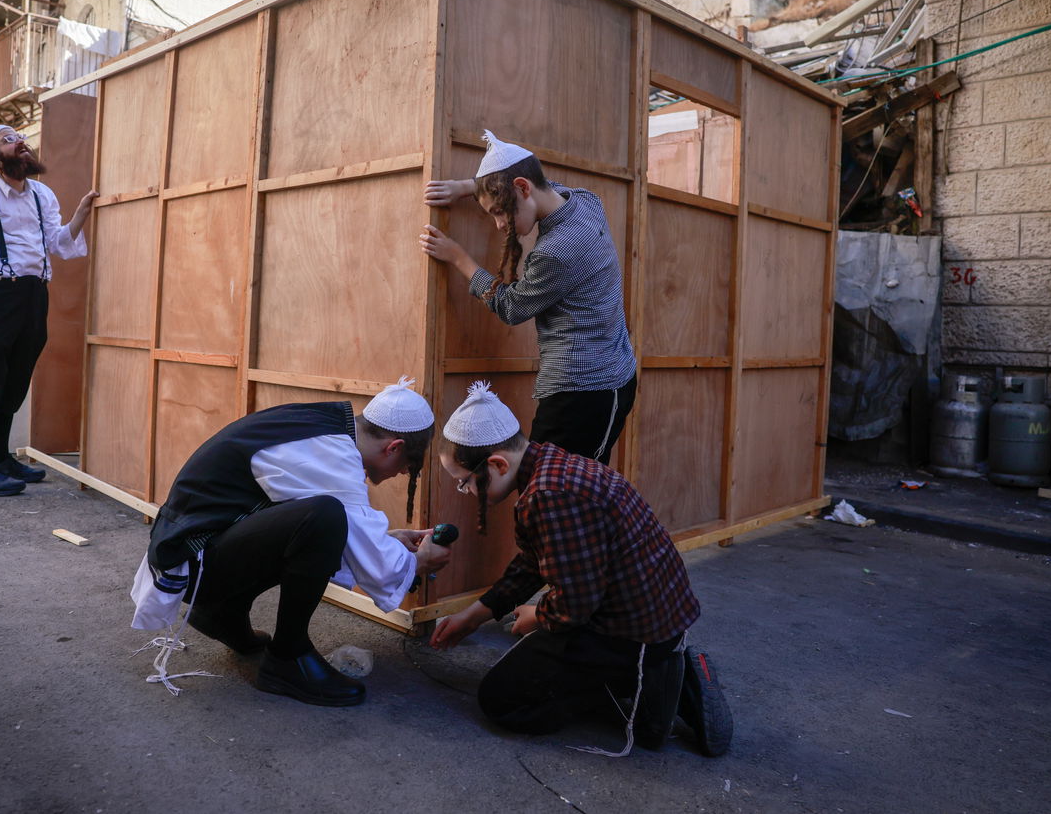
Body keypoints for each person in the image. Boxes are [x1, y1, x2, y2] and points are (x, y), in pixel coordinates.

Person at [430, 382, 726, 755]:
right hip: (656, 613)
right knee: (530, 653)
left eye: (465, 483)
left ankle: (650, 686)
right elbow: (535, 561)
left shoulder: (548, 496)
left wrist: (538, 615)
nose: (467, 492)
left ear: (497, 464)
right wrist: (475, 615)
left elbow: (575, 605)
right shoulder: (550, 463)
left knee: (502, 701)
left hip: (633, 631)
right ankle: (657, 666)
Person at [130, 378, 453, 707]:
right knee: (324, 516)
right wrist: (417, 562)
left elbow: (332, 533)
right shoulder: (334, 453)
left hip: (194, 547)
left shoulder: (321, 427)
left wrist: (387, 541)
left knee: (321, 520)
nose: (402, 474)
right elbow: (361, 551)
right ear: (394, 447)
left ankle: (221, 611)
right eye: (408, 467)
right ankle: (288, 657)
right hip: (192, 559)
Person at [419, 131, 637, 465]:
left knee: (558, 495)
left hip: (585, 393)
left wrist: (459, 258)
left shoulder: (556, 252)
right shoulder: (584, 200)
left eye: (499, 211)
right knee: (557, 490)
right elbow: (540, 179)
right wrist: (469, 187)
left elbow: (510, 306)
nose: (498, 224)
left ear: (522, 189)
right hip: (606, 377)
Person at [0, 124, 98, 496]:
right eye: (8, 140)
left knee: (14, 377)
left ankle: (0, 459)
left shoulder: (42, 194)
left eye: (20, 138)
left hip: (32, 295)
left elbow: (57, 243)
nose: (20, 143)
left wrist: (81, 214)